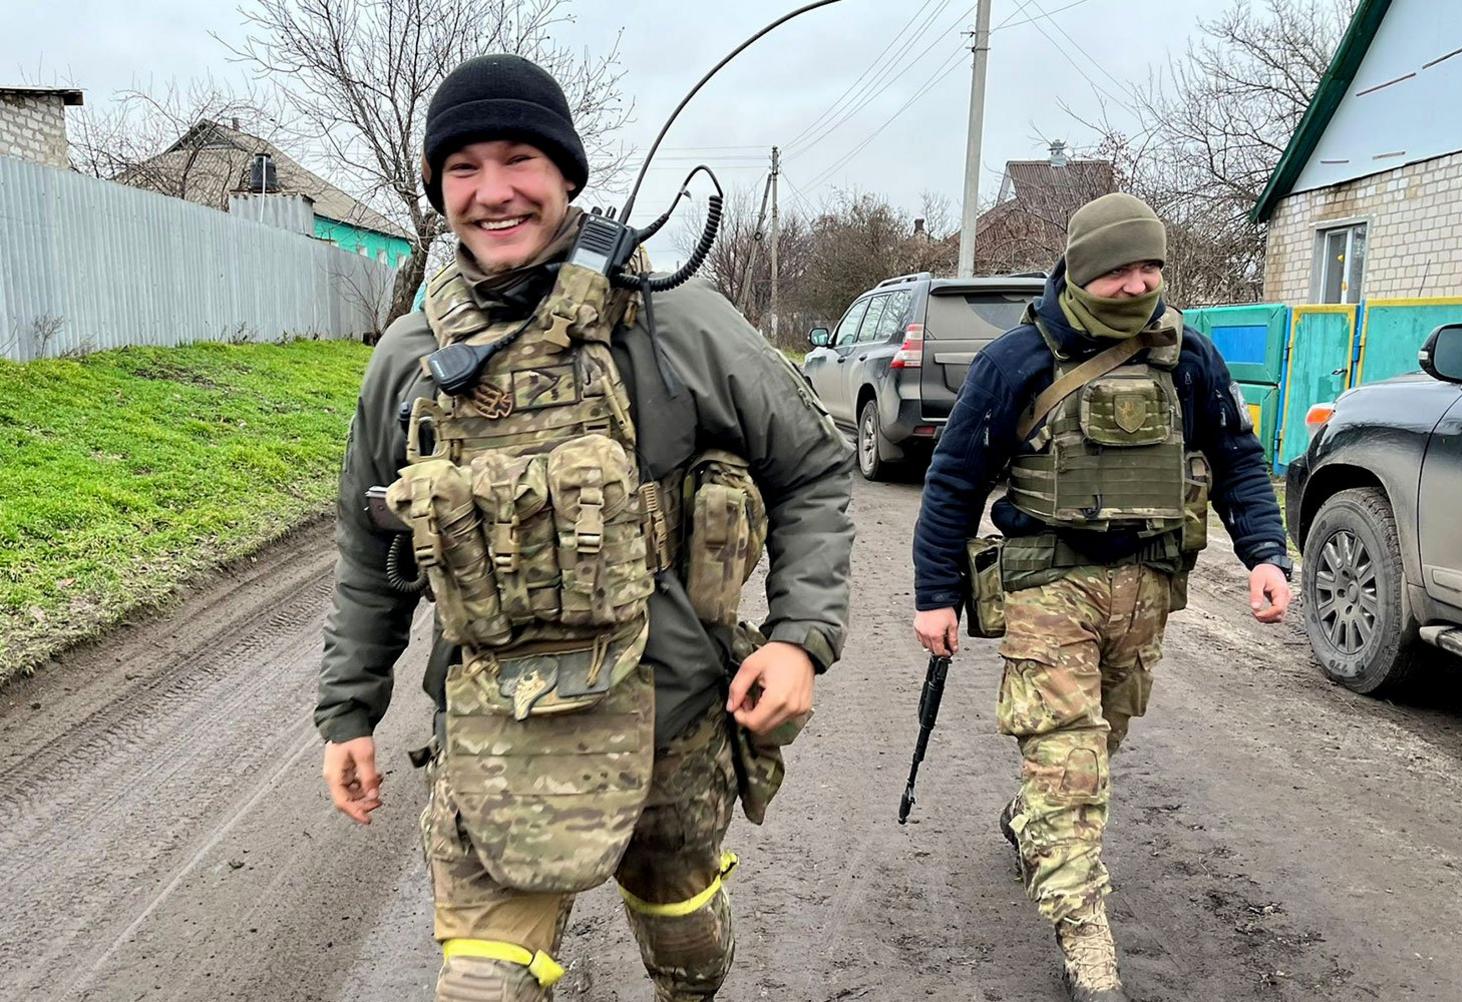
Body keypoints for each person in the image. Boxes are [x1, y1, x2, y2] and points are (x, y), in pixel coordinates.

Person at [315, 54, 854, 1002]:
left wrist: (801, 639)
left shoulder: (677, 322)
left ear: (566, 174)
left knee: (683, 935)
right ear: (438, 187)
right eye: (462, 169)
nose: (492, 193)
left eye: (518, 159)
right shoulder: (409, 356)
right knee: (482, 986)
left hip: (678, 720)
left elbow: (811, 467)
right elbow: (370, 551)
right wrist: (348, 714)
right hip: (497, 729)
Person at [910, 192, 1291, 1002]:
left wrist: (1266, 554)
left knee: (1099, 740)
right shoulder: (1017, 359)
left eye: (1150, 266)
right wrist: (935, 595)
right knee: (1068, 761)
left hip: (1146, 587)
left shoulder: (1190, 357)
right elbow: (954, 480)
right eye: (1119, 268)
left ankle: (1031, 824)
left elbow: (1237, 457)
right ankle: (1088, 942)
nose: (1137, 283)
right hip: (1048, 585)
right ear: (1083, 269)